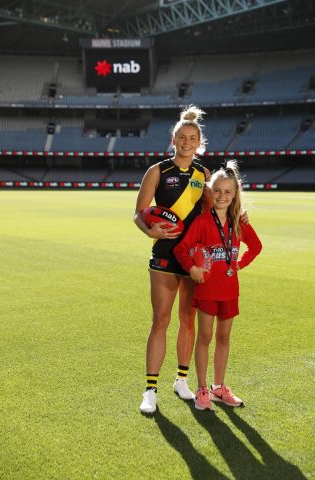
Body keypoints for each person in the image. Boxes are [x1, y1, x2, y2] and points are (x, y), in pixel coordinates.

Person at [134, 105, 211, 414]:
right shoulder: (157, 171)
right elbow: (139, 214)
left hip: (192, 258)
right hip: (164, 256)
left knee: (187, 320)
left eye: (192, 138)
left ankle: (181, 381)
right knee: (161, 321)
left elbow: (211, 212)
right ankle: (150, 390)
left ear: (198, 141)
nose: (187, 142)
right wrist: (151, 231)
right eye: (182, 137)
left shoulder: (203, 175)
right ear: (174, 139)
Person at [174, 160, 262, 411]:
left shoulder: (239, 222)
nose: (222, 196)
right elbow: (181, 249)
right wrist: (192, 268)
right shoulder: (202, 222)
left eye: (228, 192)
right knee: (205, 337)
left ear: (235, 195)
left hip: (230, 290)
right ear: (210, 193)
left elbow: (256, 247)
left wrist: (239, 265)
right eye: (217, 191)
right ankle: (202, 389)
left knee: (224, 338)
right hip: (207, 291)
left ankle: (218, 387)